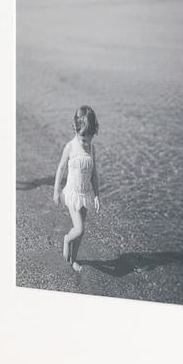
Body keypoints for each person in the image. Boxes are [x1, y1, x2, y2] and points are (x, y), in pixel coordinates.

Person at [53, 106, 101, 271]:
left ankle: (74, 259)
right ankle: (66, 239)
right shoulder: (70, 147)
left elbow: (94, 173)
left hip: (85, 194)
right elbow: (61, 169)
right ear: (76, 129)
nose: (85, 140)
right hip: (72, 194)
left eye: (89, 136)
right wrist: (56, 191)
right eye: (82, 136)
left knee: (80, 235)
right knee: (79, 229)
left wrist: (96, 196)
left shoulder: (91, 148)